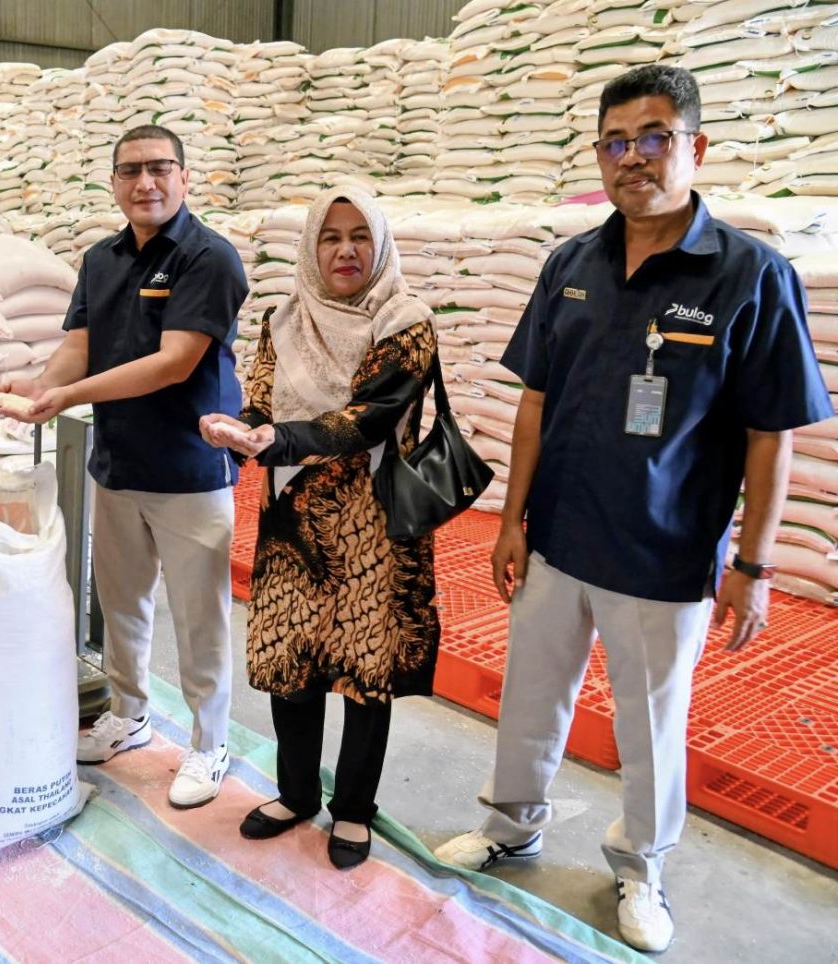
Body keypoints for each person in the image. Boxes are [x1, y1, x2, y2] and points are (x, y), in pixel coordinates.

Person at [434, 65, 833, 954]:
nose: (633, 158)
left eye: (654, 137)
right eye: (615, 142)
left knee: (650, 723)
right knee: (531, 697)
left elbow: (771, 436)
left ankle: (642, 867)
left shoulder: (751, 276)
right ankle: (511, 826)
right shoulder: (571, 264)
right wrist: (511, 520)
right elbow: (535, 400)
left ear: (696, 148)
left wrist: (754, 566)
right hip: (558, 536)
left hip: (663, 551)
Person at [0, 124, 249, 809]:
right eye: (131, 170)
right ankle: (128, 714)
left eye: (160, 168)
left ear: (185, 177)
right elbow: (79, 346)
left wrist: (65, 398)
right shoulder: (101, 259)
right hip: (118, 463)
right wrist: (41, 385)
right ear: (113, 183)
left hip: (190, 469)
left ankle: (209, 742)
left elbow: (174, 363)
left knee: (199, 618)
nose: (146, 182)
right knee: (121, 604)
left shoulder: (209, 258)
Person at [200, 187, 440, 869]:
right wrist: (238, 426)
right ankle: (298, 794)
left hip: (373, 523)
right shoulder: (284, 320)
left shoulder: (406, 322)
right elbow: (262, 399)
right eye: (330, 237)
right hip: (293, 523)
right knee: (292, 662)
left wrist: (276, 439)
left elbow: (369, 418)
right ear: (311, 246)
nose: (345, 250)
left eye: (359, 235)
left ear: (380, 243)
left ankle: (354, 809)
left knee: (366, 669)